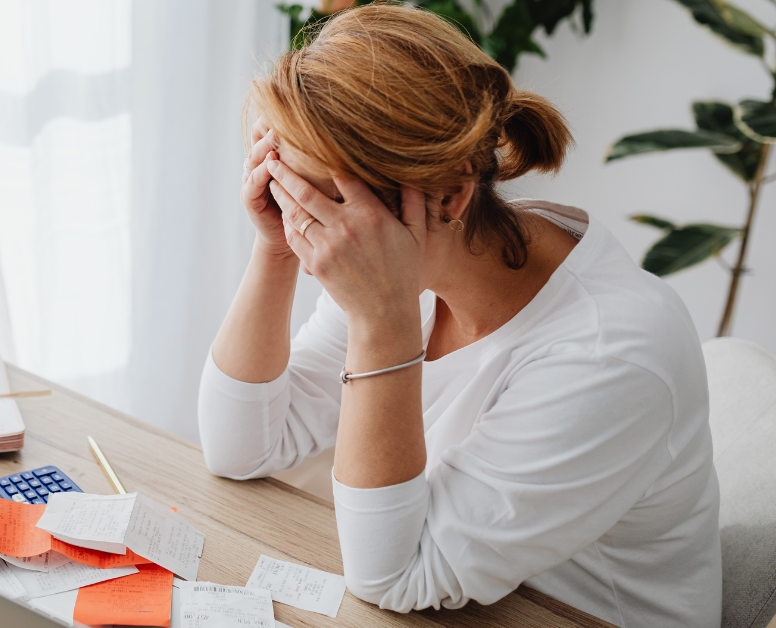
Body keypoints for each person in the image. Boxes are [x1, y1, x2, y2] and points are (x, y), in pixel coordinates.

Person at [197, 5, 720, 627]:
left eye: (321, 205)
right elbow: (241, 448)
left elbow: (394, 577)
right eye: (287, 193)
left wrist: (382, 323)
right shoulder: (418, 250)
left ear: (448, 195)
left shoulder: (612, 352)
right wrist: (275, 247)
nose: (314, 236)